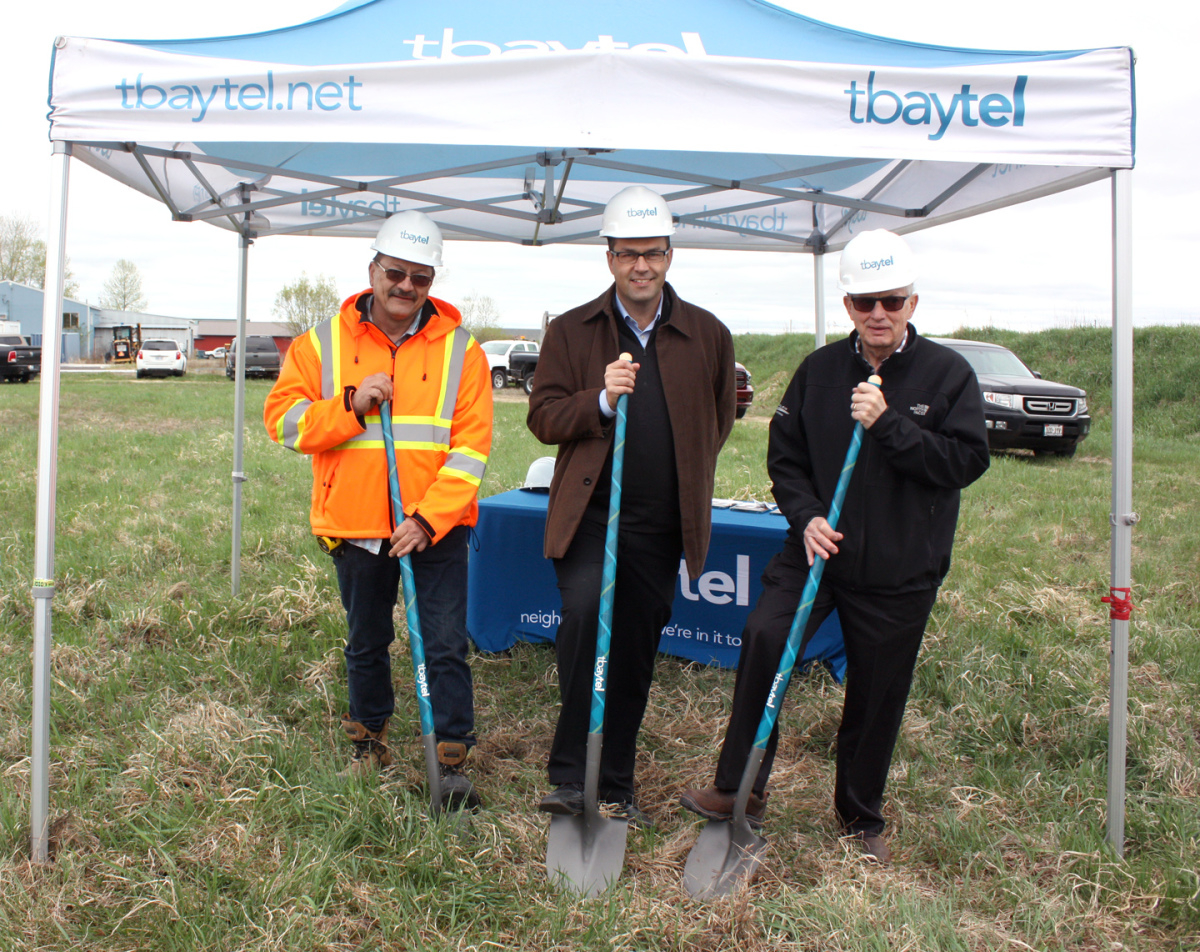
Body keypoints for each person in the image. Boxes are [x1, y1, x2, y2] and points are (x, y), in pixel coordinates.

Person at [680, 229, 989, 862]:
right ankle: (738, 787)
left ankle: (859, 814)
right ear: (847, 305)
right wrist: (807, 516)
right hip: (814, 551)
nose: (878, 313)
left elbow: (963, 463)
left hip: (900, 567)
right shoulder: (819, 371)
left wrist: (889, 425)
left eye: (892, 301)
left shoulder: (947, 374)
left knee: (877, 691)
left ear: (912, 302)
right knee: (764, 636)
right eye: (864, 301)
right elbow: (785, 458)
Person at [263, 210, 493, 810]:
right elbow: (282, 422)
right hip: (357, 524)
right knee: (366, 641)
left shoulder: (463, 351)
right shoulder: (322, 343)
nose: (406, 287)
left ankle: (450, 754)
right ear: (373, 269)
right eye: (396, 272)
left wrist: (427, 519)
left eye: (420, 277)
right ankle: (367, 736)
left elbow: (471, 450)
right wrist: (349, 404)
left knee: (444, 643)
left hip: (435, 527)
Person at [528, 186, 737, 828]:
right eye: (627, 254)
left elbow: (718, 418)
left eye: (652, 254)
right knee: (588, 620)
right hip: (593, 520)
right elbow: (542, 417)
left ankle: (615, 782)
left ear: (670, 255)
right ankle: (571, 776)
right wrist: (600, 401)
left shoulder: (707, 334)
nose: (640, 266)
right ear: (610, 258)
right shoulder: (572, 330)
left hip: (659, 526)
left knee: (636, 651)